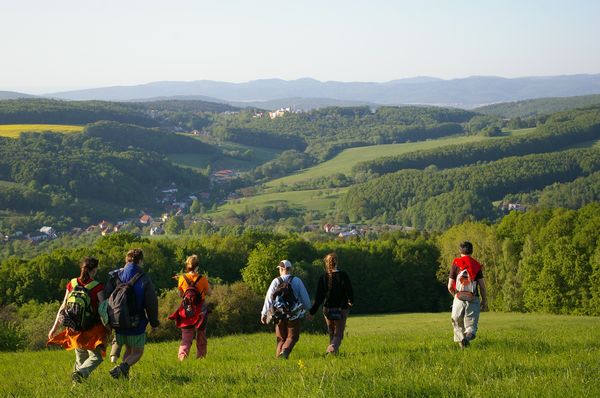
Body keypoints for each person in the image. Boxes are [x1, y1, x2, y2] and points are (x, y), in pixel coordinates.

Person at [48, 257, 108, 383]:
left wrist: (54, 328)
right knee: (97, 357)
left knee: (81, 359)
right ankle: (81, 373)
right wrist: (109, 327)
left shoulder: (72, 283)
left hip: (74, 328)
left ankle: (76, 388)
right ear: (95, 270)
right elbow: (103, 309)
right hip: (92, 329)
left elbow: (63, 307)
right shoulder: (97, 287)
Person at [104, 248, 160, 379]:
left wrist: (108, 321)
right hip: (136, 323)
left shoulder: (115, 276)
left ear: (126, 260)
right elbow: (151, 303)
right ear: (140, 261)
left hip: (118, 322)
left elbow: (106, 298)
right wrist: (154, 322)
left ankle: (123, 378)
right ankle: (121, 368)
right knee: (137, 352)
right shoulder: (144, 278)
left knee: (128, 350)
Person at [260, 260, 312, 359]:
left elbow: (269, 299)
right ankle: (284, 352)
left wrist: (264, 314)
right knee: (292, 337)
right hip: (293, 314)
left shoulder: (276, 281)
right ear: (290, 269)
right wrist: (309, 311)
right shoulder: (297, 280)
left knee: (280, 339)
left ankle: (278, 360)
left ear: (281, 269)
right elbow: (305, 297)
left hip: (278, 314)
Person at [309, 252, 354, 355]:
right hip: (341, 308)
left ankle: (333, 354)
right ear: (336, 262)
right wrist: (351, 301)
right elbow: (349, 290)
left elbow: (319, 298)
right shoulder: (343, 275)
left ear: (326, 263)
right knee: (338, 334)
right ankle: (331, 349)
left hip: (327, 308)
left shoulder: (323, 277)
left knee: (331, 332)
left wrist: (312, 312)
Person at [169, 254, 212, 360]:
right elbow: (210, 293)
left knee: (186, 337)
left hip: (186, 309)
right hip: (200, 310)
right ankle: (201, 358)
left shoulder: (182, 278)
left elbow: (180, 295)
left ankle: (182, 357)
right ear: (197, 266)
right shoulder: (202, 279)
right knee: (201, 335)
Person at [447, 241, 488, 348]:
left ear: (460, 251)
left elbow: (450, 286)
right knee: (471, 327)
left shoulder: (456, 264)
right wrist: (484, 301)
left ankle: (463, 342)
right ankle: (467, 338)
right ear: (472, 251)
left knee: (457, 323)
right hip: (473, 298)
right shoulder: (476, 265)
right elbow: (482, 286)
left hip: (459, 297)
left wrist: (456, 297)